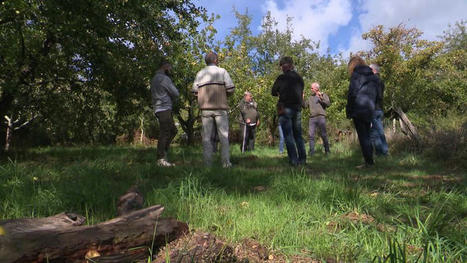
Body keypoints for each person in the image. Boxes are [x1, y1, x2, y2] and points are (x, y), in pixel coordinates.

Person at [193, 51, 235, 168]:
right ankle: (226, 163)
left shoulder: (200, 73)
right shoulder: (222, 71)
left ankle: (207, 163)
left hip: (205, 109)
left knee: (206, 137)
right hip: (220, 108)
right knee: (224, 136)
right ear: (216, 60)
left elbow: (194, 91)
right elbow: (231, 89)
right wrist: (224, 94)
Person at [271, 56, 306, 166]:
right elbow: (301, 92)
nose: (281, 67)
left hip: (285, 108)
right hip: (297, 109)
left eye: (282, 65)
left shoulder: (281, 78)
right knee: (298, 135)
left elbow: (273, 91)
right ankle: (303, 159)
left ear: (287, 65)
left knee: (288, 136)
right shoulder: (299, 78)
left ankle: (294, 161)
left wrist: (280, 93)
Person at [346, 56, 379, 167]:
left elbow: (352, 93)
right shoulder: (373, 77)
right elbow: (378, 94)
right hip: (370, 108)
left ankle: (368, 162)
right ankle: (370, 160)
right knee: (368, 135)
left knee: (363, 136)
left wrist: (349, 110)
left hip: (359, 107)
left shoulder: (356, 75)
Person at [150, 60, 179, 167]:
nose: (171, 70)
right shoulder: (164, 78)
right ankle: (161, 158)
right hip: (164, 108)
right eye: (170, 68)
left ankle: (164, 153)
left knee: (173, 130)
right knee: (165, 132)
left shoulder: (154, 78)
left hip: (159, 108)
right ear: (165, 67)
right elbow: (175, 93)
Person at [303, 82, 331, 156]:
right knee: (311, 135)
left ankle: (327, 151)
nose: (311, 89)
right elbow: (304, 106)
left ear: (316, 88)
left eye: (312, 88)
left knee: (323, 134)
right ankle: (312, 152)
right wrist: (302, 98)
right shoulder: (310, 97)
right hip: (312, 118)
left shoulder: (323, 95)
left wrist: (321, 98)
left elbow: (328, 104)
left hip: (321, 117)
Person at [369, 64, 389, 156]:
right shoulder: (381, 81)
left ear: (373, 70)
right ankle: (385, 151)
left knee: (374, 133)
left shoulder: (373, 81)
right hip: (380, 109)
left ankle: (380, 153)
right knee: (380, 131)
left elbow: (375, 96)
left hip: (374, 109)